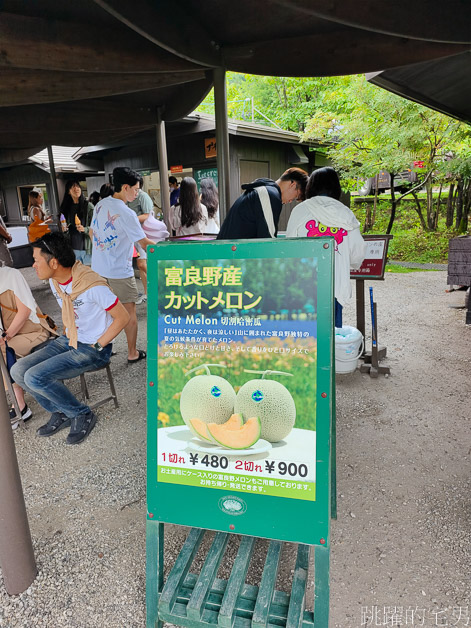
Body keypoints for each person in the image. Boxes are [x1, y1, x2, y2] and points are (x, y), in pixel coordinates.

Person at [10, 233, 130, 444]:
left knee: (35, 377)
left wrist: (99, 344)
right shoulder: (56, 281)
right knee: (18, 371)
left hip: (93, 348)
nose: (33, 265)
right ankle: (61, 410)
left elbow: (123, 317)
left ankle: (81, 413)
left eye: (36, 260)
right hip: (70, 339)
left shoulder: (92, 285)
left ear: (54, 262)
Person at [286, 167, 366, 327]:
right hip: (335, 286)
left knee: (306, 336)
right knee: (330, 338)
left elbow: (288, 249)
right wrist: (348, 263)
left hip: (304, 286)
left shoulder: (300, 211)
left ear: (310, 187)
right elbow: (357, 253)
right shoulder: (346, 213)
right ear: (336, 188)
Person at [90, 167, 155, 363]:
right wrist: (168, 249)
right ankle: (132, 352)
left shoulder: (101, 205)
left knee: (106, 311)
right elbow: (143, 243)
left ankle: (105, 348)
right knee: (128, 313)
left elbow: (92, 233)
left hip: (98, 269)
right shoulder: (126, 213)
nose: (137, 194)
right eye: (135, 189)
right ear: (125, 187)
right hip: (119, 271)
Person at [0, 264, 57, 427]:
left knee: (3, 349)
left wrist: (6, 336)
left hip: (33, 330)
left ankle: (20, 406)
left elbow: (24, 311)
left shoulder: (11, 275)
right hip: (10, 335)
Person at [217, 167, 308, 239]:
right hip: (232, 257)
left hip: (229, 255)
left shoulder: (264, 190)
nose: (290, 201)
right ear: (293, 184)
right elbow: (268, 240)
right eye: (296, 196)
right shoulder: (269, 194)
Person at [128, 176, 154, 304]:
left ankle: (159, 283)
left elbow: (149, 215)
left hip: (143, 234)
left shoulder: (142, 196)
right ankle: (147, 293)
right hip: (133, 235)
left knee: (142, 264)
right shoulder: (128, 198)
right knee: (141, 264)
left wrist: (131, 219)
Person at [60, 180, 94, 263]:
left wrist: (85, 229)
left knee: (89, 273)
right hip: (73, 249)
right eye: (73, 187)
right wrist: (65, 230)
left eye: (78, 186)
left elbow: (96, 226)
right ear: (68, 191)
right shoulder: (66, 208)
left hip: (87, 249)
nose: (76, 188)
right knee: (77, 274)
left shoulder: (88, 206)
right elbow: (65, 231)